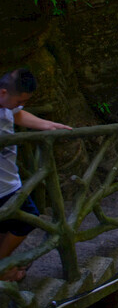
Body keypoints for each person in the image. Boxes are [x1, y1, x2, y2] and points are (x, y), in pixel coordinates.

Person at [0, 68, 71, 282]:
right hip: (3, 186)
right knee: (27, 219)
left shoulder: (6, 105)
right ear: (4, 93)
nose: (21, 104)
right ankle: (3, 267)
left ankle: (6, 267)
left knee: (7, 224)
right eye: (19, 100)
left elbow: (18, 113)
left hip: (10, 180)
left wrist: (48, 125)